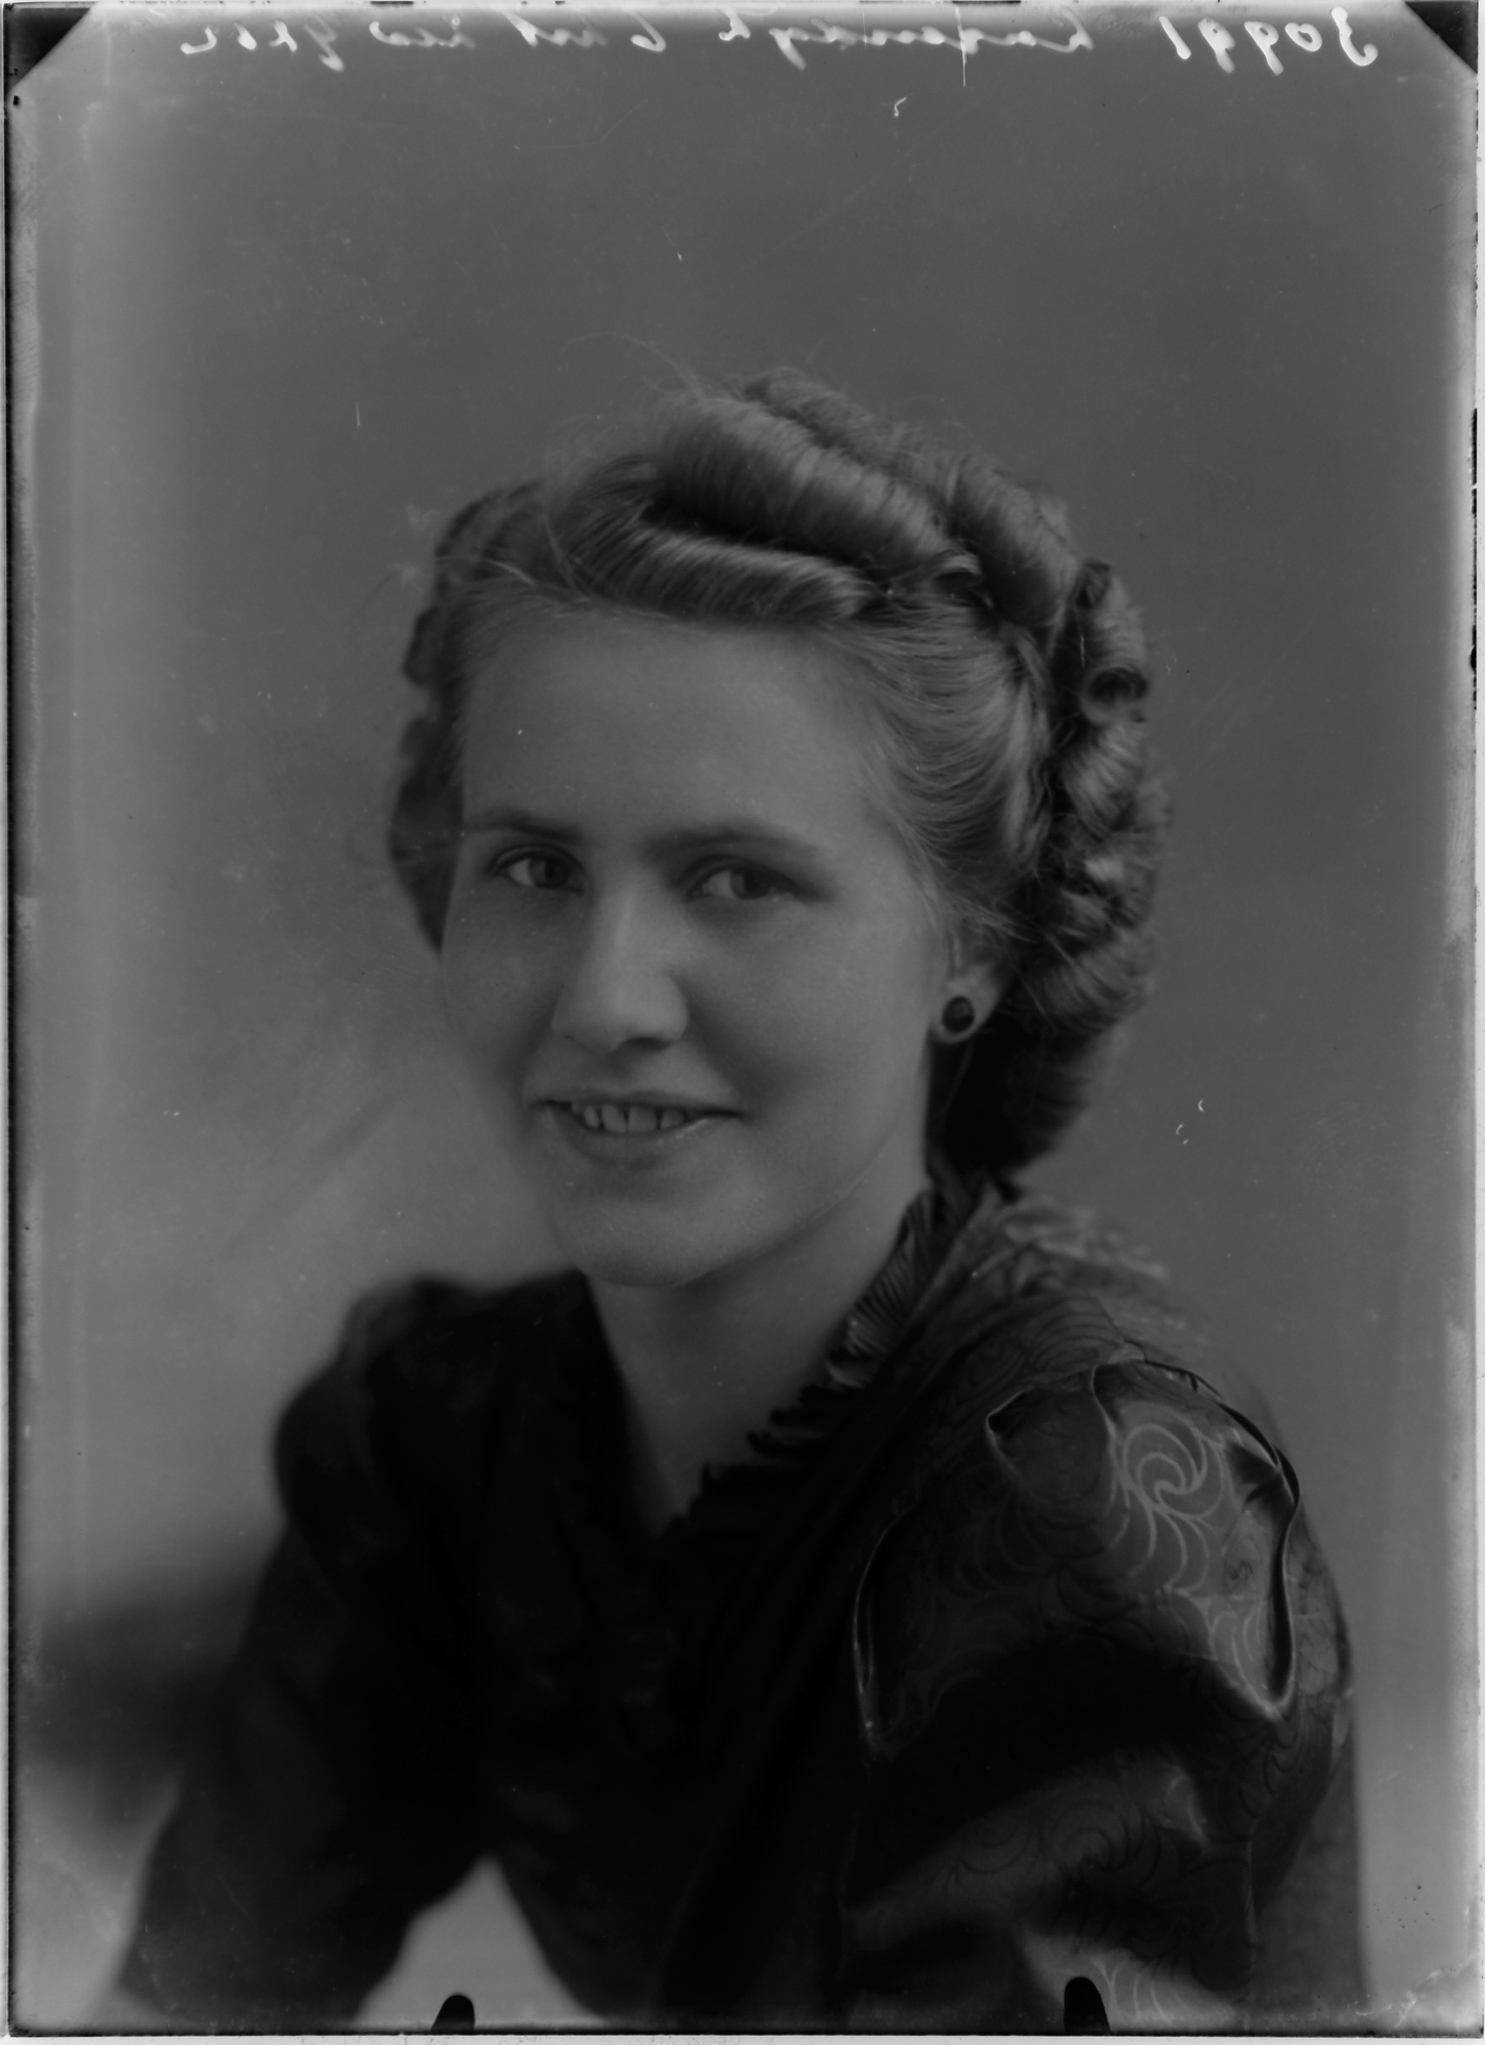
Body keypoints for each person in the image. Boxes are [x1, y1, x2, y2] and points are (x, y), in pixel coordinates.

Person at [111, 372, 1360, 2031]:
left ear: (972, 951)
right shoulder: (438, 1443)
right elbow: (177, 2011)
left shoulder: (1087, 1489)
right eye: (534, 868)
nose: (604, 998)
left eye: (736, 880)